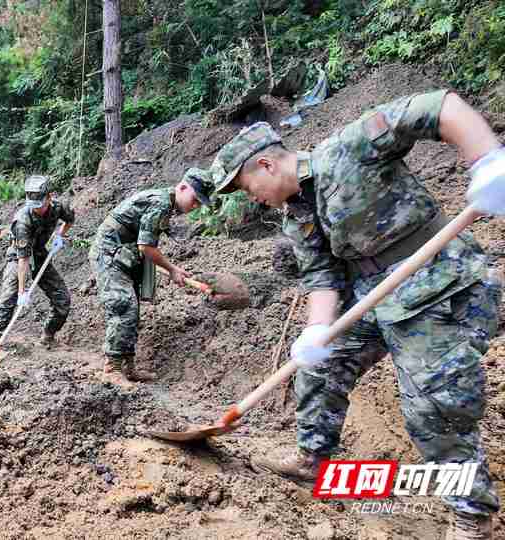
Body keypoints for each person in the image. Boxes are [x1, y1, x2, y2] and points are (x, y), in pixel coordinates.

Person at [210, 90, 505, 539]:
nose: (253, 199)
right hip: (375, 296)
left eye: (248, 188)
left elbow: (438, 107)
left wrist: (487, 160)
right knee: (319, 369)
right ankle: (314, 459)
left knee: (433, 405)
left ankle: (471, 515)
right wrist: (315, 332)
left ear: (266, 165)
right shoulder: (296, 217)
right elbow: (323, 279)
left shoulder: (350, 148)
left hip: (439, 283)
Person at [90, 169, 214, 383]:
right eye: (195, 200)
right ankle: (112, 370)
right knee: (123, 305)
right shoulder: (161, 203)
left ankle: (127, 368)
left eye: (199, 204)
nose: (195, 206)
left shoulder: (166, 205)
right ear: (183, 188)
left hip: (124, 254)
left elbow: (143, 245)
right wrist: (173, 269)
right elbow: (146, 246)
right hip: (108, 253)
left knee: (132, 310)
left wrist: (170, 268)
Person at [0, 175, 74, 358]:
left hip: (40, 253)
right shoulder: (22, 221)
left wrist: (59, 235)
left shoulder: (59, 206)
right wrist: (22, 292)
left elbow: (69, 220)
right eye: (32, 205)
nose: (36, 209)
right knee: (9, 296)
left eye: (40, 205)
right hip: (18, 256)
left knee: (63, 299)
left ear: (49, 198)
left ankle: (48, 335)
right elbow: (23, 260)